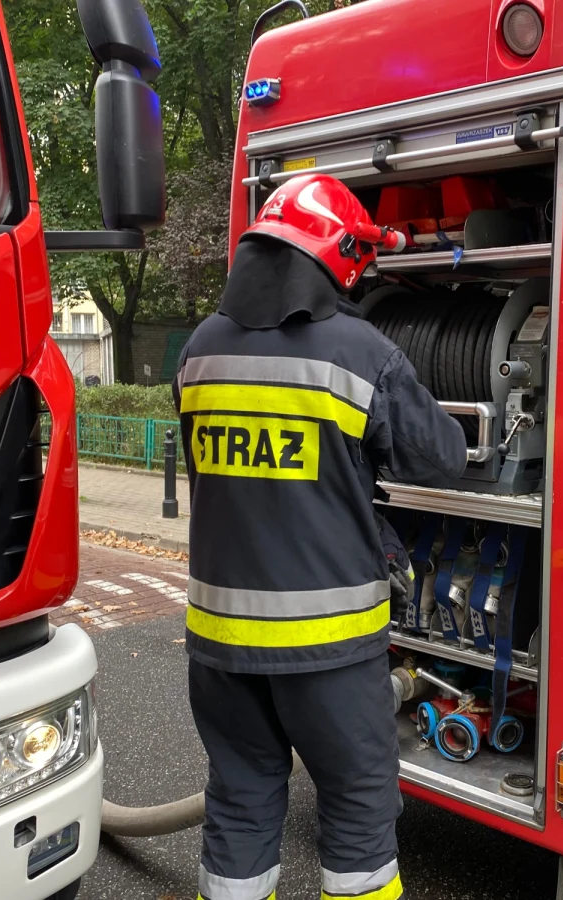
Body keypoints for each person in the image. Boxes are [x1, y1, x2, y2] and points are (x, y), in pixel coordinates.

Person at [173, 173, 467, 900]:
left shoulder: (199, 350)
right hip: (327, 651)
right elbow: (441, 457)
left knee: (240, 802)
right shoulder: (359, 353)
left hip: (221, 650)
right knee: (360, 811)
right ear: (334, 254)